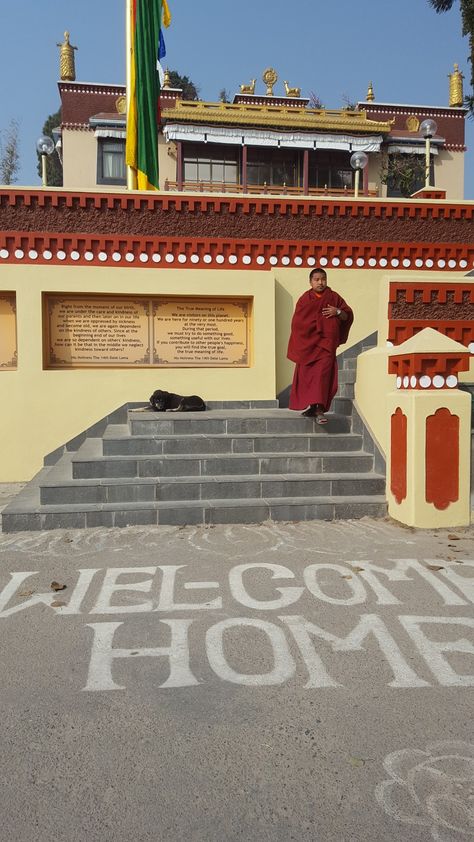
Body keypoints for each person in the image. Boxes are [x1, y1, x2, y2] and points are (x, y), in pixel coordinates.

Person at [287, 268, 353, 423]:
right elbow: (297, 322)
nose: (320, 282)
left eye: (323, 279)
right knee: (308, 377)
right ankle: (312, 407)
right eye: (316, 279)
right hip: (309, 346)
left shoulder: (334, 297)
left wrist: (337, 311)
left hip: (326, 346)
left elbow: (347, 316)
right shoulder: (305, 299)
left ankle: (319, 410)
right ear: (310, 282)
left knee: (322, 377)